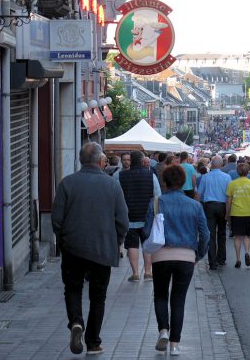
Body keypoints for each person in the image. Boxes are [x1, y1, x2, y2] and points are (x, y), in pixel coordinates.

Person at [51, 142, 129, 355]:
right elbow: (122, 219)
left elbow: (56, 219)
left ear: (80, 160)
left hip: (73, 248)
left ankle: (76, 321)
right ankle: (93, 341)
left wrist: (64, 240)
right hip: (102, 249)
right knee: (98, 296)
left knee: (73, 288)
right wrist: (117, 241)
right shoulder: (112, 185)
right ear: (100, 161)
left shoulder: (67, 183)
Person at [145, 165, 210, 356]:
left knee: (160, 295)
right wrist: (199, 253)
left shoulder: (156, 202)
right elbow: (205, 234)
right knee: (179, 300)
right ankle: (175, 345)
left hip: (161, 255)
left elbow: (147, 230)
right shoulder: (195, 205)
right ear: (183, 181)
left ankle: (163, 330)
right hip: (186, 256)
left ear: (164, 181)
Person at [119, 151, 158, 283]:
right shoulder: (150, 175)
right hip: (147, 217)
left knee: (132, 245)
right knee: (147, 244)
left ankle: (135, 273)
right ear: (142, 162)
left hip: (129, 216)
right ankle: (148, 272)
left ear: (131, 161)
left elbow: (117, 196)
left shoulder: (121, 176)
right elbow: (157, 195)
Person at [196, 156, 231, 270]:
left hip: (209, 206)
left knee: (211, 234)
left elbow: (198, 194)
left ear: (211, 164)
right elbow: (229, 196)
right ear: (221, 165)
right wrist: (228, 211)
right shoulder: (227, 177)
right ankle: (221, 259)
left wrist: (197, 207)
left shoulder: (205, 177)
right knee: (222, 233)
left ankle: (212, 262)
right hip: (222, 206)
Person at [226, 163, 250, 268]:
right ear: (248, 171)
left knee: (237, 237)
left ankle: (238, 259)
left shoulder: (232, 183)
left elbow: (229, 201)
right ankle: (247, 252)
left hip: (236, 212)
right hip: (248, 212)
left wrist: (227, 214)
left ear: (237, 172)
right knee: (246, 235)